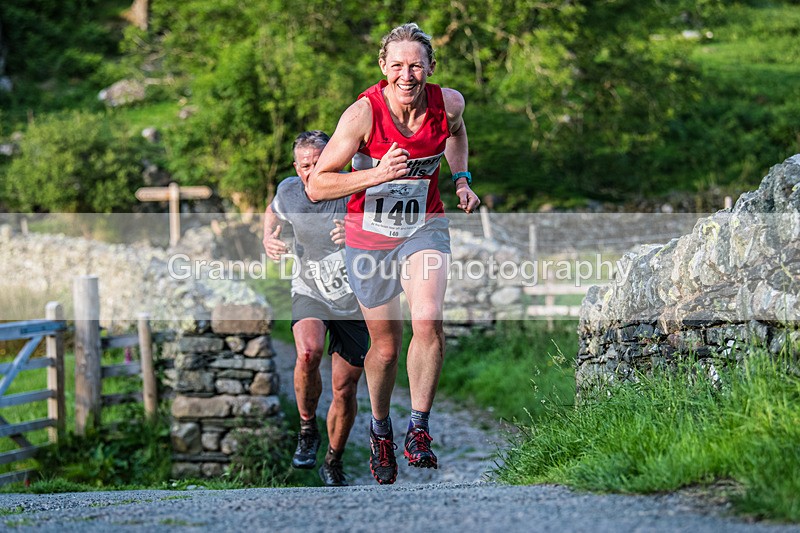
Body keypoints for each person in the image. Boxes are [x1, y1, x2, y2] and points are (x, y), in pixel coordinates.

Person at [306, 23, 480, 485]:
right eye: (398, 65)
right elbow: (318, 183)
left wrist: (461, 178)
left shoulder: (450, 103)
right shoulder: (364, 114)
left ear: (430, 68)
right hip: (368, 238)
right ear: (384, 68)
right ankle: (380, 430)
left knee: (428, 320)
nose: (408, 74)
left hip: (425, 226)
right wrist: (376, 175)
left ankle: (418, 429)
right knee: (383, 348)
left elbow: (457, 136)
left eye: (416, 65)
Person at [262, 130, 369, 487]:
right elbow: (272, 211)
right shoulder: (290, 190)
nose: (312, 171)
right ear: (297, 167)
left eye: (320, 162)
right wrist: (268, 237)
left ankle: (334, 460)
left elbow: (389, 225)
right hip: (310, 286)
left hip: (356, 296)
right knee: (308, 352)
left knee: (344, 388)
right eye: (305, 165)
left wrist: (356, 230)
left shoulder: (355, 183)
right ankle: (307, 429)